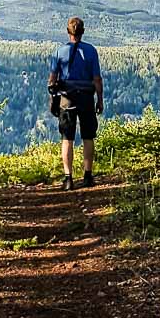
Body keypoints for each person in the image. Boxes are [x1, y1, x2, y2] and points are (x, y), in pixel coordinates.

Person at [48, 17, 104, 190]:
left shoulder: (59, 52)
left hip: (67, 98)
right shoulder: (91, 51)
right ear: (83, 32)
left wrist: (53, 98)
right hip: (86, 97)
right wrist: (99, 100)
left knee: (67, 138)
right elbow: (97, 79)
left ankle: (68, 179)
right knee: (88, 136)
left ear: (68, 32)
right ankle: (88, 175)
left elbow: (52, 81)